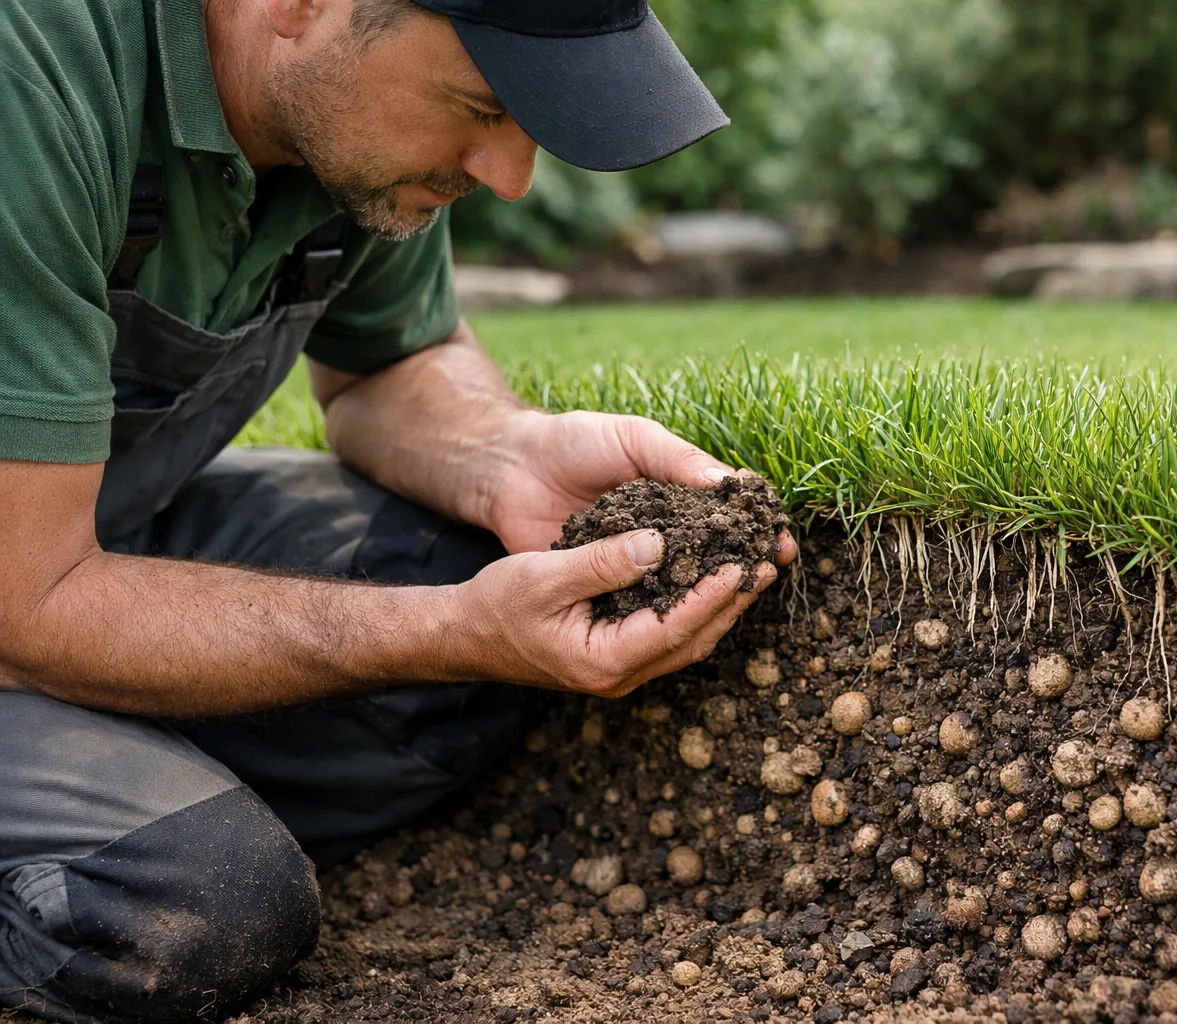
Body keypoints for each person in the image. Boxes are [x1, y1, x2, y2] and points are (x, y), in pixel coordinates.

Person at [0, 0, 793, 1020]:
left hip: (73, 541)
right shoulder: (37, 67)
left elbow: (396, 364)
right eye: (480, 106)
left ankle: (120, 780)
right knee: (190, 896)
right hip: (28, 582)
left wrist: (509, 452)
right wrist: (449, 632)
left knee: (467, 581)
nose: (511, 178)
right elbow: (28, 600)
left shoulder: (330, 116)